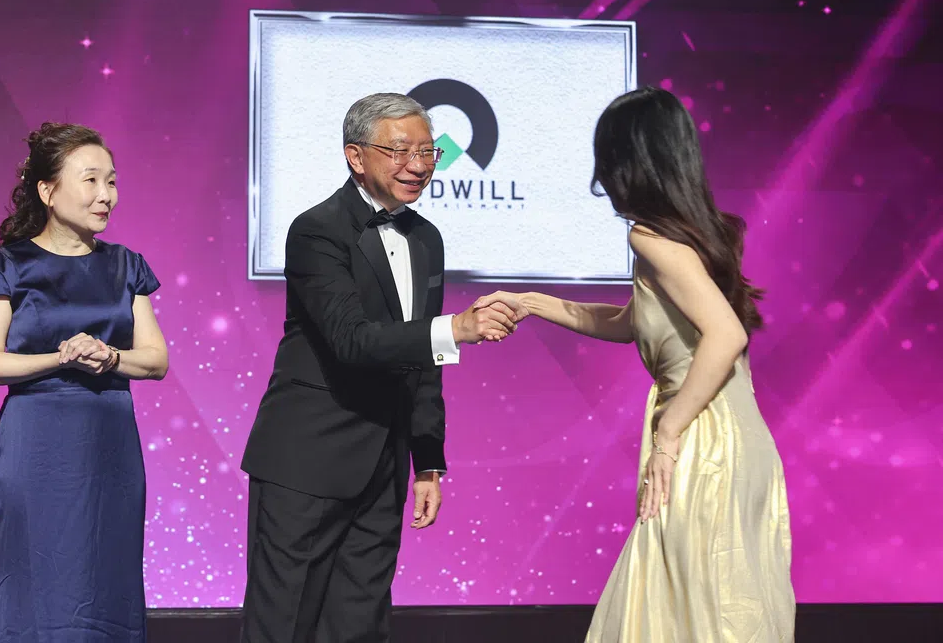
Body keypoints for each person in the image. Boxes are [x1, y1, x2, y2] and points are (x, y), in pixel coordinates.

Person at [475, 87, 795, 641]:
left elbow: (726, 335)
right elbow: (630, 323)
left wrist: (668, 433)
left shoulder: (650, 239)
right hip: (733, 435)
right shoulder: (689, 237)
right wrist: (530, 302)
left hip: (701, 439)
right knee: (708, 601)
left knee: (687, 606)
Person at [239, 93, 517, 642]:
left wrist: (428, 461)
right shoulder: (316, 231)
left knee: (360, 624)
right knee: (284, 624)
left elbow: (423, 359)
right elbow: (352, 341)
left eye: (428, 151)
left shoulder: (427, 238)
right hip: (308, 461)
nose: (418, 165)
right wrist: (457, 328)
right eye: (399, 151)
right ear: (356, 156)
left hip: (384, 465)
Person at [0, 122, 169, 643]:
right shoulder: (5, 267)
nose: (106, 195)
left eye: (112, 181)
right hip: (35, 444)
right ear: (48, 191)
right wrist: (60, 357)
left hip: (108, 446)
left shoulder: (127, 266)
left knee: (107, 578)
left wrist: (108, 356)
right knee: (31, 580)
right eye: (91, 180)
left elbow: (156, 361)